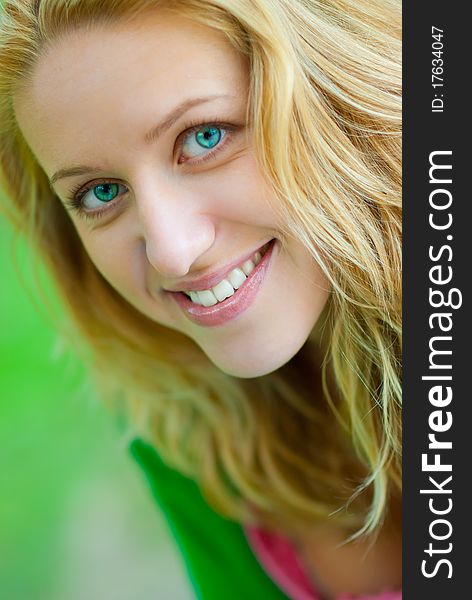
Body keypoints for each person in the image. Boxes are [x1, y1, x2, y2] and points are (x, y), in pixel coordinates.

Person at [0, 1, 402, 598]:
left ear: (337, 96)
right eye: (100, 192)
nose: (171, 251)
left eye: (205, 138)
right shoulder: (184, 430)